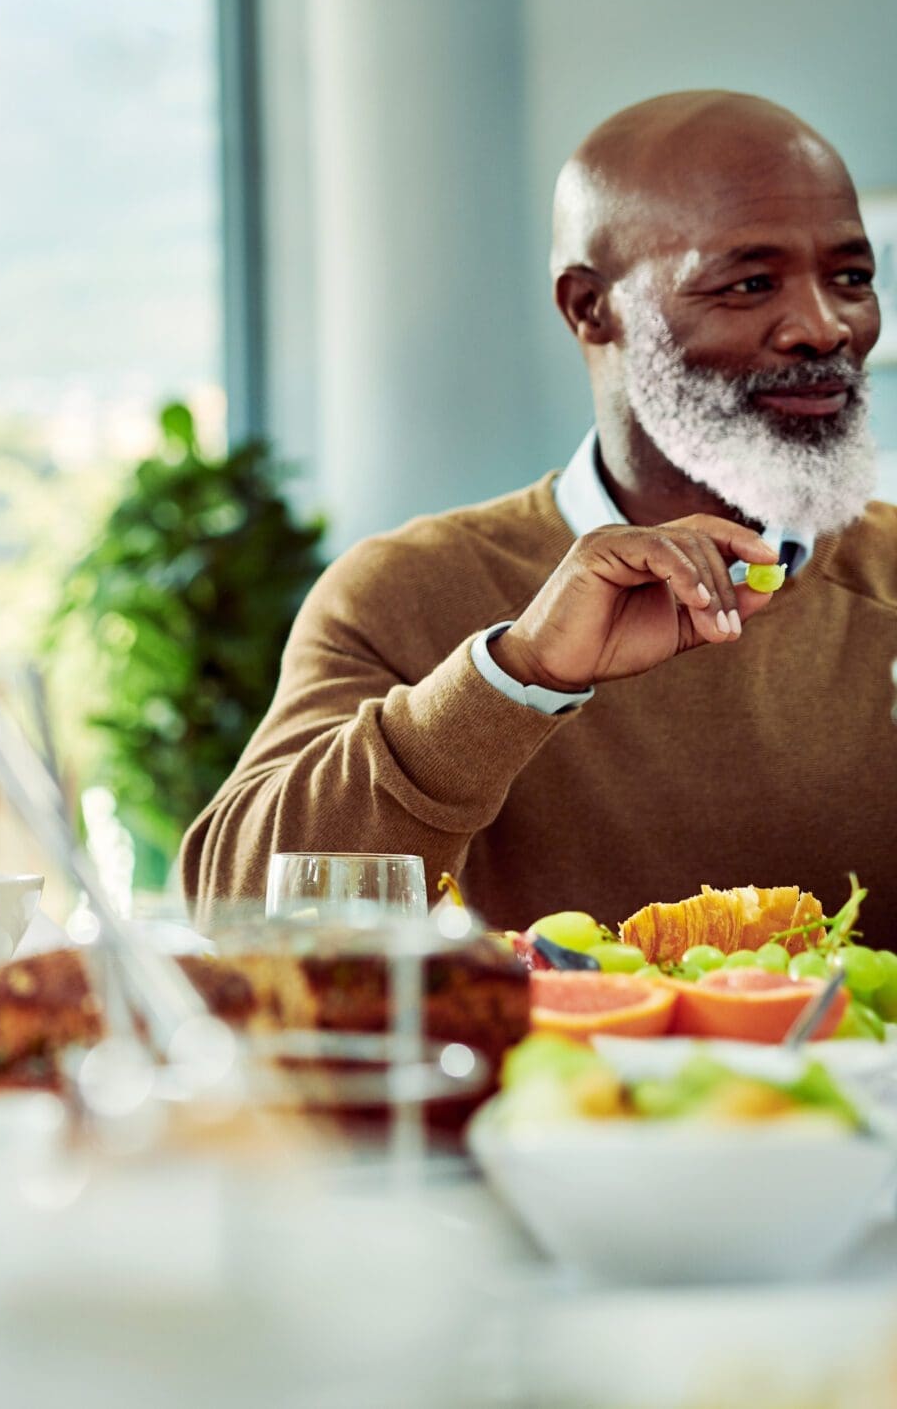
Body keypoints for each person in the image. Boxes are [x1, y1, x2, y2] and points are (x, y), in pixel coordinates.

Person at [184, 91, 897, 931]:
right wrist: (515, 678)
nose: (826, 328)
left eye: (852, 277)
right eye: (748, 283)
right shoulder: (401, 591)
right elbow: (236, 914)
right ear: (589, 307)